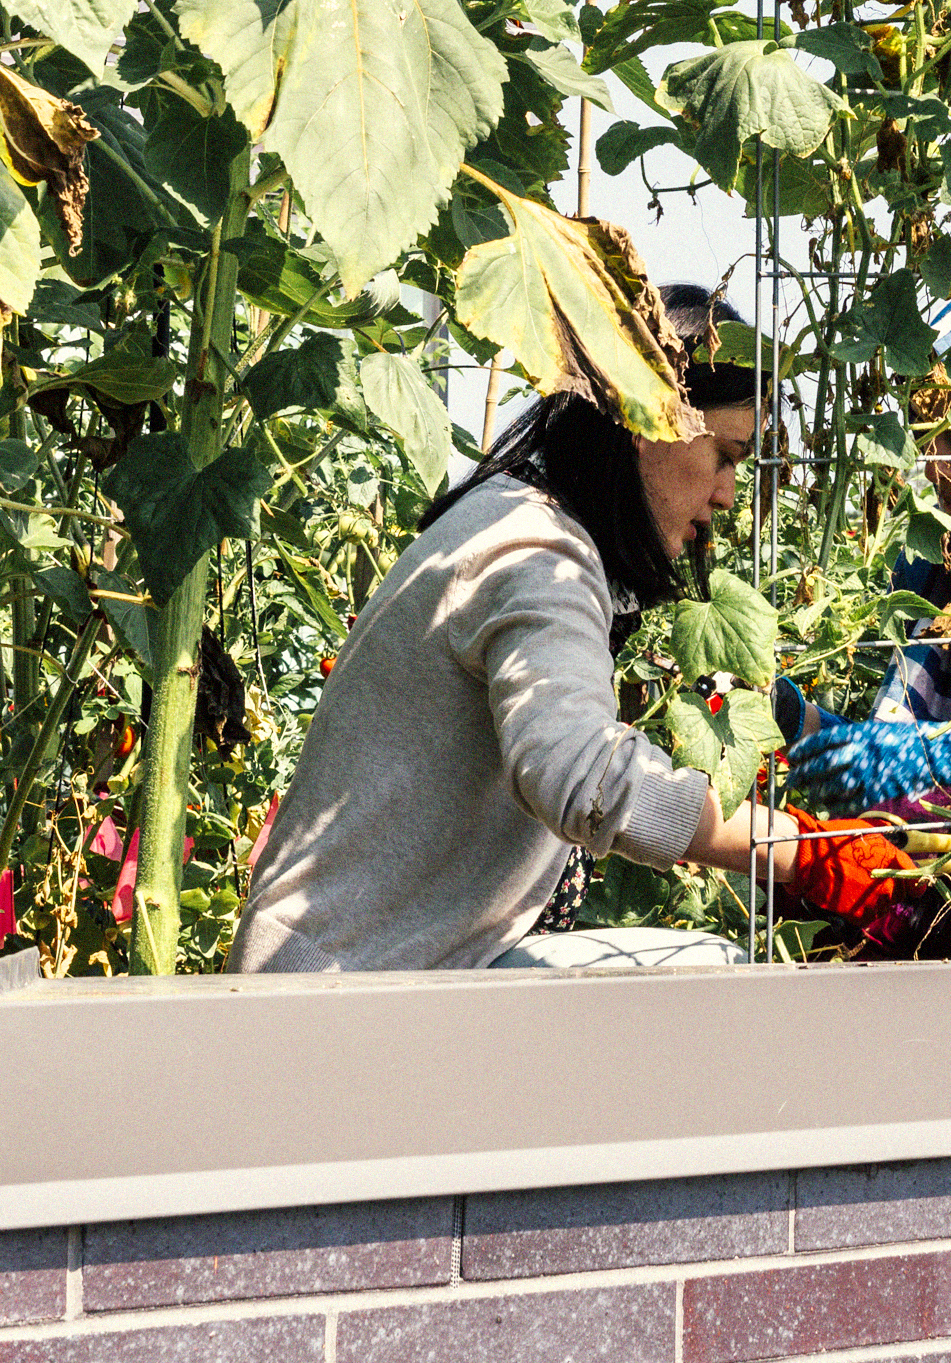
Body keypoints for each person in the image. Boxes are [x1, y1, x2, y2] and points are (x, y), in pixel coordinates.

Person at [233, 287, 905, 973]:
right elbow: (577, 771)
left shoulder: (520, 519)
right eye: (726, 455)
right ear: (654, 423)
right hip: (338, 997)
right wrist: (797, 851)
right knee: (712, 977)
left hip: (371, 967)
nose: (728, 492)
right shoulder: (536, 552)